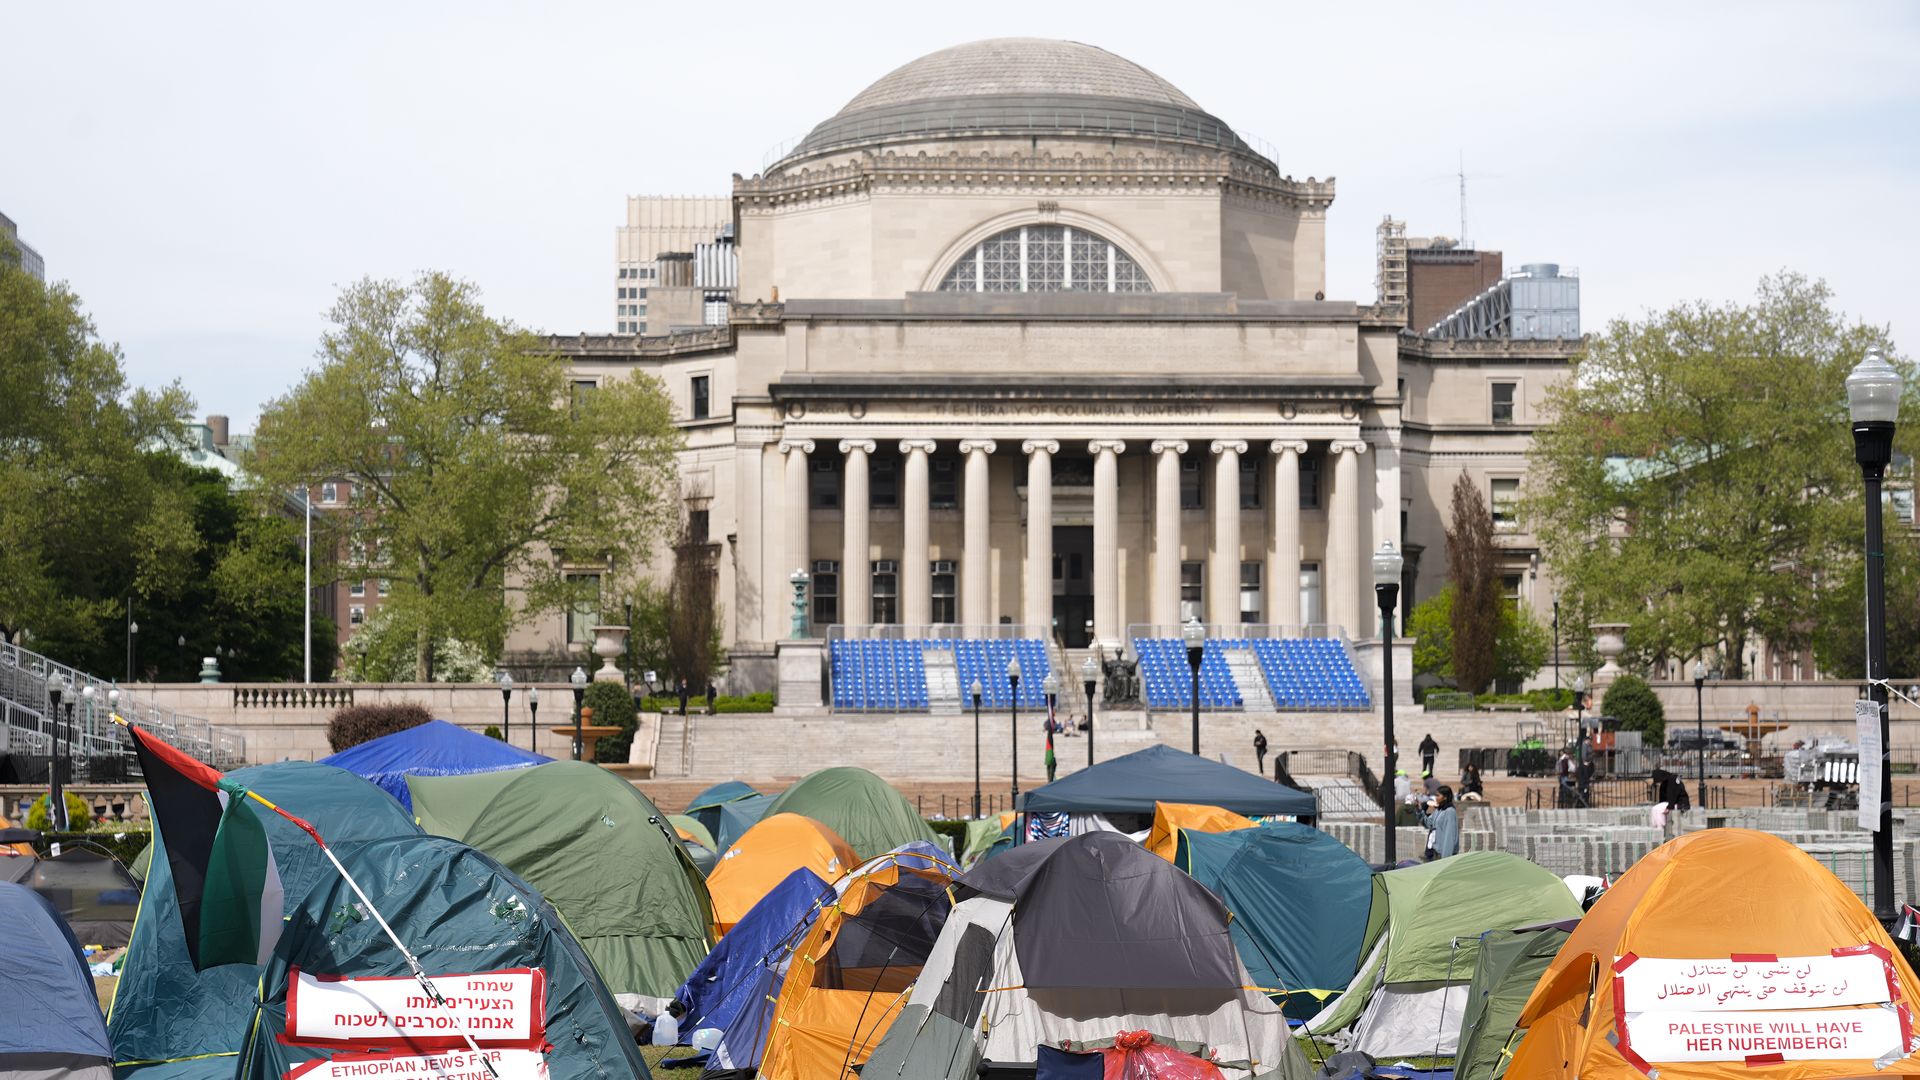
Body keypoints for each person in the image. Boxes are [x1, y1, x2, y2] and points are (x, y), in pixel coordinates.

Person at [1421, 786, 1459, 860]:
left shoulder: (1449, 812)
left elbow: (1449, 836)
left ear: (1445, 797)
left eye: (1438, 795)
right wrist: (1422, 811)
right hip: (1435, 851)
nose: (1436, 797)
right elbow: (1429, 823)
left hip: (1443, 854)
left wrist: (1445, 859)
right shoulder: (1439, 810)